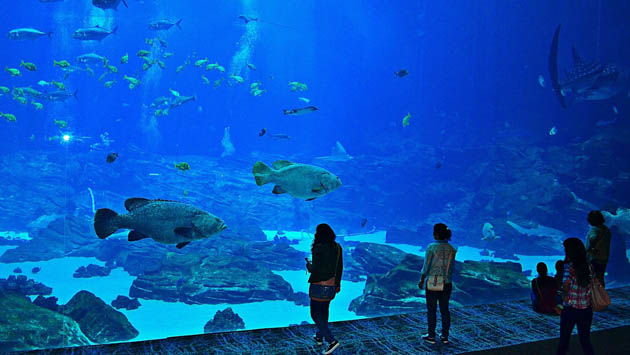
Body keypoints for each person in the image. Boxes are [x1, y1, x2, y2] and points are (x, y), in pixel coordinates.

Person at [306, 223, 343, 354]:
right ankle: (319, 336)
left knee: (315, 314)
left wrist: (309, 266)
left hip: (318, 285)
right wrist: (337, 284)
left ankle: (331, 340)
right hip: (332, 285)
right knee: (324, 311)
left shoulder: (318, 247)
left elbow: (316, 269)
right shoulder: (338, 247)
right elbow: (339, 267)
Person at [418, 223, 457, 345]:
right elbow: (451, 268)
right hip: (447, 282)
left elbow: (426, 266)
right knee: (445, 309)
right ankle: (445, 336)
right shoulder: (452, 248)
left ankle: (431, 336)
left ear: (436, 234)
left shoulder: (431, 247)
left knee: (432, 309)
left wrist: (422, 279)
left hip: (434, 280)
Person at [557, 238, 594, 355]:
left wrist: (564, 297)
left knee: (564, 340)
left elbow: (565, 284)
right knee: (585, 340)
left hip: (570, 309)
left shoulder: (569, 267)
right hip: (586, 308)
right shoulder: (589, 266)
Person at [585, 210, 612, 287]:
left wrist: (591, 248)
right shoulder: (606, 230)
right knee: (601, 278)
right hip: (604, 257)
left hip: (594, 258)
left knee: (594, 278)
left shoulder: (594, 229)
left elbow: (593, 238)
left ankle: (596, 296)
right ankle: (602, 294)